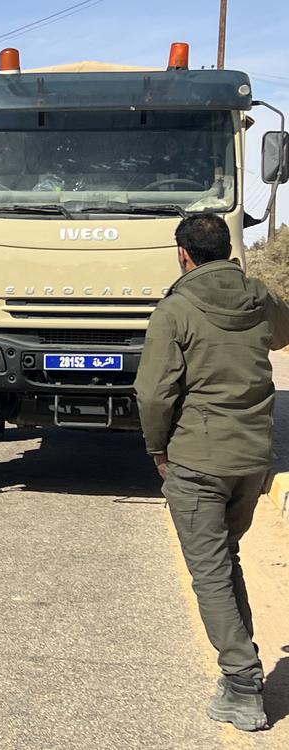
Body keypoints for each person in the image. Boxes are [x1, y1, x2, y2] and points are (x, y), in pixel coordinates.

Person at [135, 214, 289, 733]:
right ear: (227, 249)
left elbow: (153, 393)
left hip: (198, 461)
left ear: (183, 254)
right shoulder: (258, 297)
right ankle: (241, 663)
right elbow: (284, 331)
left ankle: (243, 684)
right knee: (227, 557)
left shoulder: (175, 309)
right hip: (251, 460)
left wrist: (158, 448)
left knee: (210, 572)